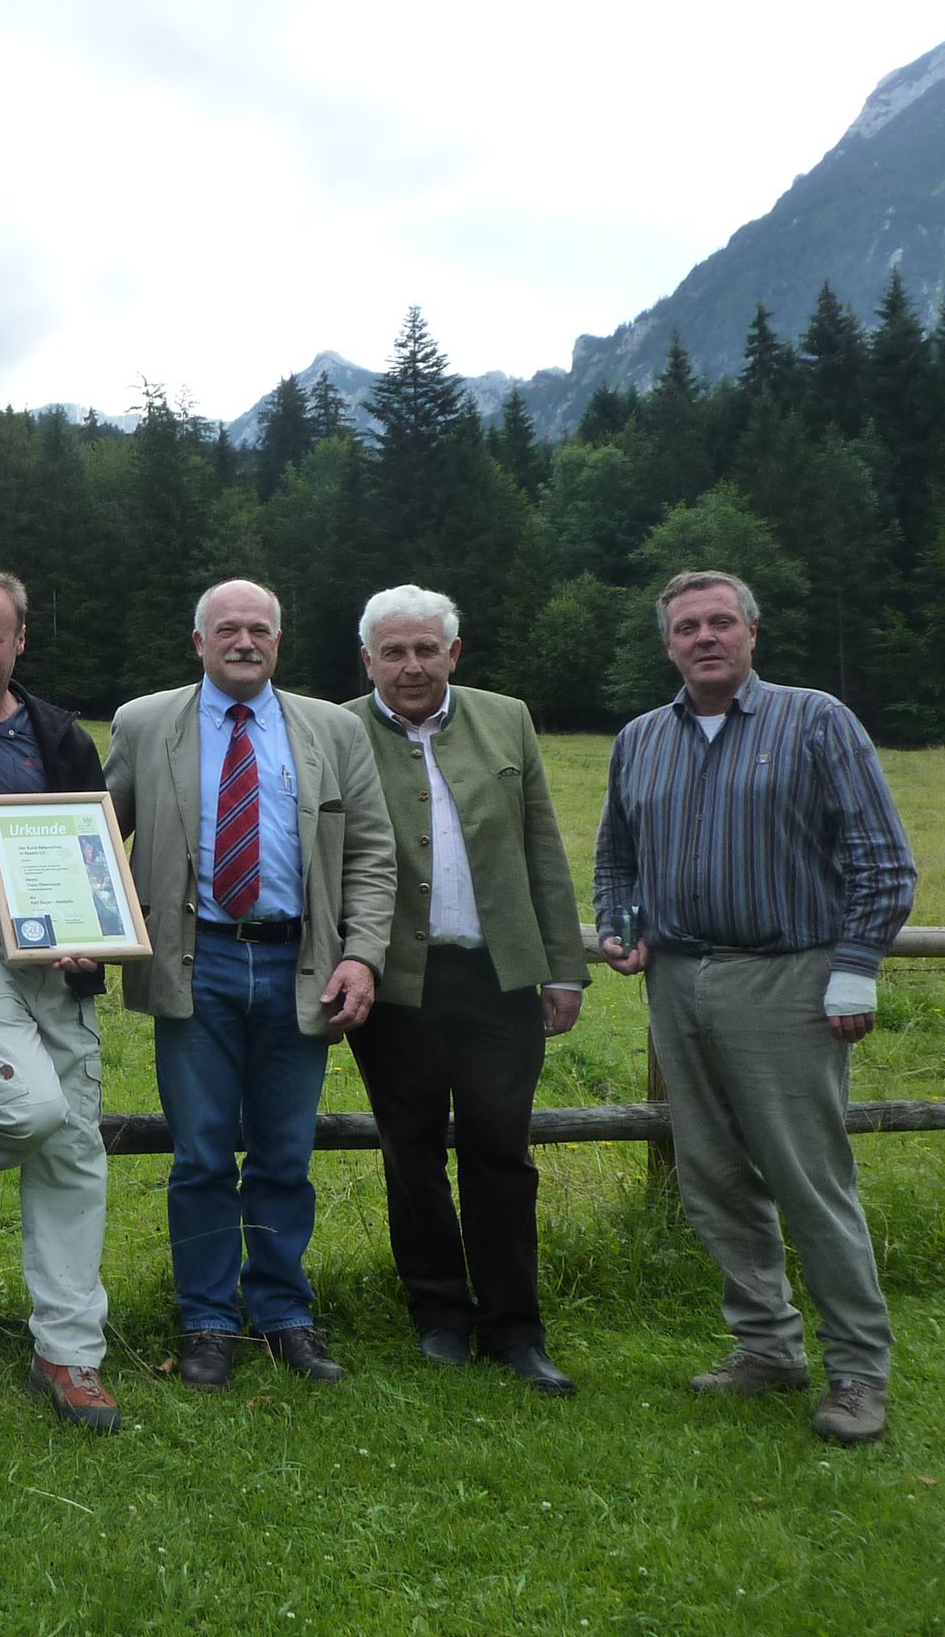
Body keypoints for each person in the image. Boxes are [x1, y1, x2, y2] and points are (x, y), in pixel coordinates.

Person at [596, 569, 917, 1446]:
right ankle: (767, 1347)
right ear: (668, 643)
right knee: (711, 1178)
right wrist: (618, 926)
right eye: (688, 626)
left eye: (721, 623)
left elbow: (885, 861)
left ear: (751, 634)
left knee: (808, 1178)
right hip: (679, 981)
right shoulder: (640, 739)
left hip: (787, 977)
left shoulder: (815, 720)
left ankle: (858, 1369)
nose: (705, 637)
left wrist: (855, 969)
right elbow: (617, 858)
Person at [104, 578, 393, 1391]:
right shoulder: (143, 722)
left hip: (300, 962)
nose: (243, 641)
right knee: (199, 1154)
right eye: (226, 629)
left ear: (278, 640)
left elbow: (371, 852)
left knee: (284, 1153)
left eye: (258, 629)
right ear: (197, 641)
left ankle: (284, 1313)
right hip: (199, 960)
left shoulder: (333, 729)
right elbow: (94, 836)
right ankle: (205, 1319)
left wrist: (361, 954)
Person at [347, 586, 587, 1395]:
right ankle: (439, 1316)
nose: (410, 666)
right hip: (394, 984)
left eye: (425, 650)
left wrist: (561, 966)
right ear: (368, 660)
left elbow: (542, 845)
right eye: (393, 652)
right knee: (410, 1154)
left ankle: (516, 1328)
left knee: (499, 1150)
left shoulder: (506, 717)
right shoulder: (338, 729)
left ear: (454, 652)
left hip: (496, 980)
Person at [0, 567, 120, 1432]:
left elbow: (95, 847)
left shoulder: (58, 735)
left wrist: (95, 931)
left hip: (58, 958)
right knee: (30, 1109)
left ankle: (68, 1356)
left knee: (74, 1149)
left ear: (19, 642)